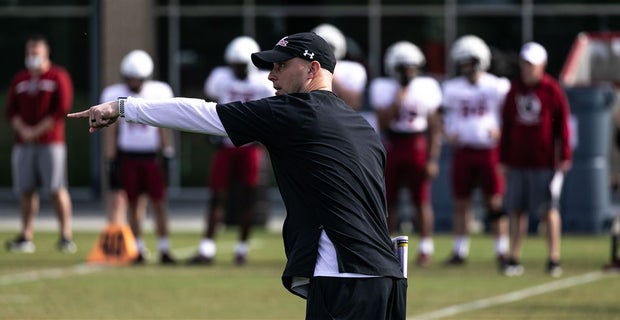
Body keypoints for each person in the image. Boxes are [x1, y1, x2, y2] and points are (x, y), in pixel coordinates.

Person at [70, 32, 407, 319]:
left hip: (343, 275)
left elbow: (202, 114)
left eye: (280, 66)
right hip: (386, 277)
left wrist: (123, 107)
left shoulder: (294, 112)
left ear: (313, 69)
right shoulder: (362, 126)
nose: (271, 76)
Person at [187, 36, 274, 266]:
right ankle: (207, 248)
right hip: (225, 146)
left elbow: (272, 112)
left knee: (248, 198)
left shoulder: (263, 83)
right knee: (217, 196)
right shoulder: (220, 78)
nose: (238, 69)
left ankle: (241, 249)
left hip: (250, 148)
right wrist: (210, 133)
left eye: (242, 65)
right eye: (235, 64)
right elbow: (210, 103)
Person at [500, 42, 572, 277]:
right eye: (525, 64)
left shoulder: (552, 90)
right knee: (516, 210)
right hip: (518, 161)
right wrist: (503, 158)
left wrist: (565, 155)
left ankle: (553, 258)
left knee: (549, 210)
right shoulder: (514, 90)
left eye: (532, 65)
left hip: (544, 161)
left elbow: (563, 126)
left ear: (542, 65)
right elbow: (507, 125)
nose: (527, 69)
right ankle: (513, 257)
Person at [369, 40, 443, 267]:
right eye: (403, 68)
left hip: (417, 143)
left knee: (420, 199)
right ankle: (386, 246)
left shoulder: (426, 87)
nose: (407, 73)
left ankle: (425, 249)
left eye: (411, 67)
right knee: (387, 199)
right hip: (392, 143)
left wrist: (432, 158)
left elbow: (434, 126)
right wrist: (397, 100)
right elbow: (381, 122)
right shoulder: (383, 87)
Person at [99, 50, 177, 265]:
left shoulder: (157, 92)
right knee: (133, 203)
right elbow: (112, 130)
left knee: (159, 202)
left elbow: (163, 125)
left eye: (138, 78)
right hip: (129, 157)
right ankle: (138, 248)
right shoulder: (115, 95)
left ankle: (164, 248)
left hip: (151, 157)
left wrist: (168, 151)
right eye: (131, 78)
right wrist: (111, 159)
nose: (134, 82)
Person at [441, 35, 511, 270]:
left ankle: (502, 249)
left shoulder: (497, 86)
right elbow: (441, 117)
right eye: (462, 63)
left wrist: (501, 132)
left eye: (469, 62)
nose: (466, 68)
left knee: (494, 201)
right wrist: (448, 133)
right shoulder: (452, 88)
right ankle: (460, 250)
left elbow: (509, 115)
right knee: (462, 202)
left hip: (489, 151)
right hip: (463, 151)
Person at [5, 35, 76, 254]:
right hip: (23, 143)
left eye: (35, 53)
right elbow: (11, 111)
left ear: (46, 54)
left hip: (50, 142)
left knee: (56, 188)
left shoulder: (57, 76)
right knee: (26, 190)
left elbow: (61, 109)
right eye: (29, 53)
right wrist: (23, 130)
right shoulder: (21, 79)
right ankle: (26, 236)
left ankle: (66, 236)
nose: (31, 57)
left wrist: (36, 130)